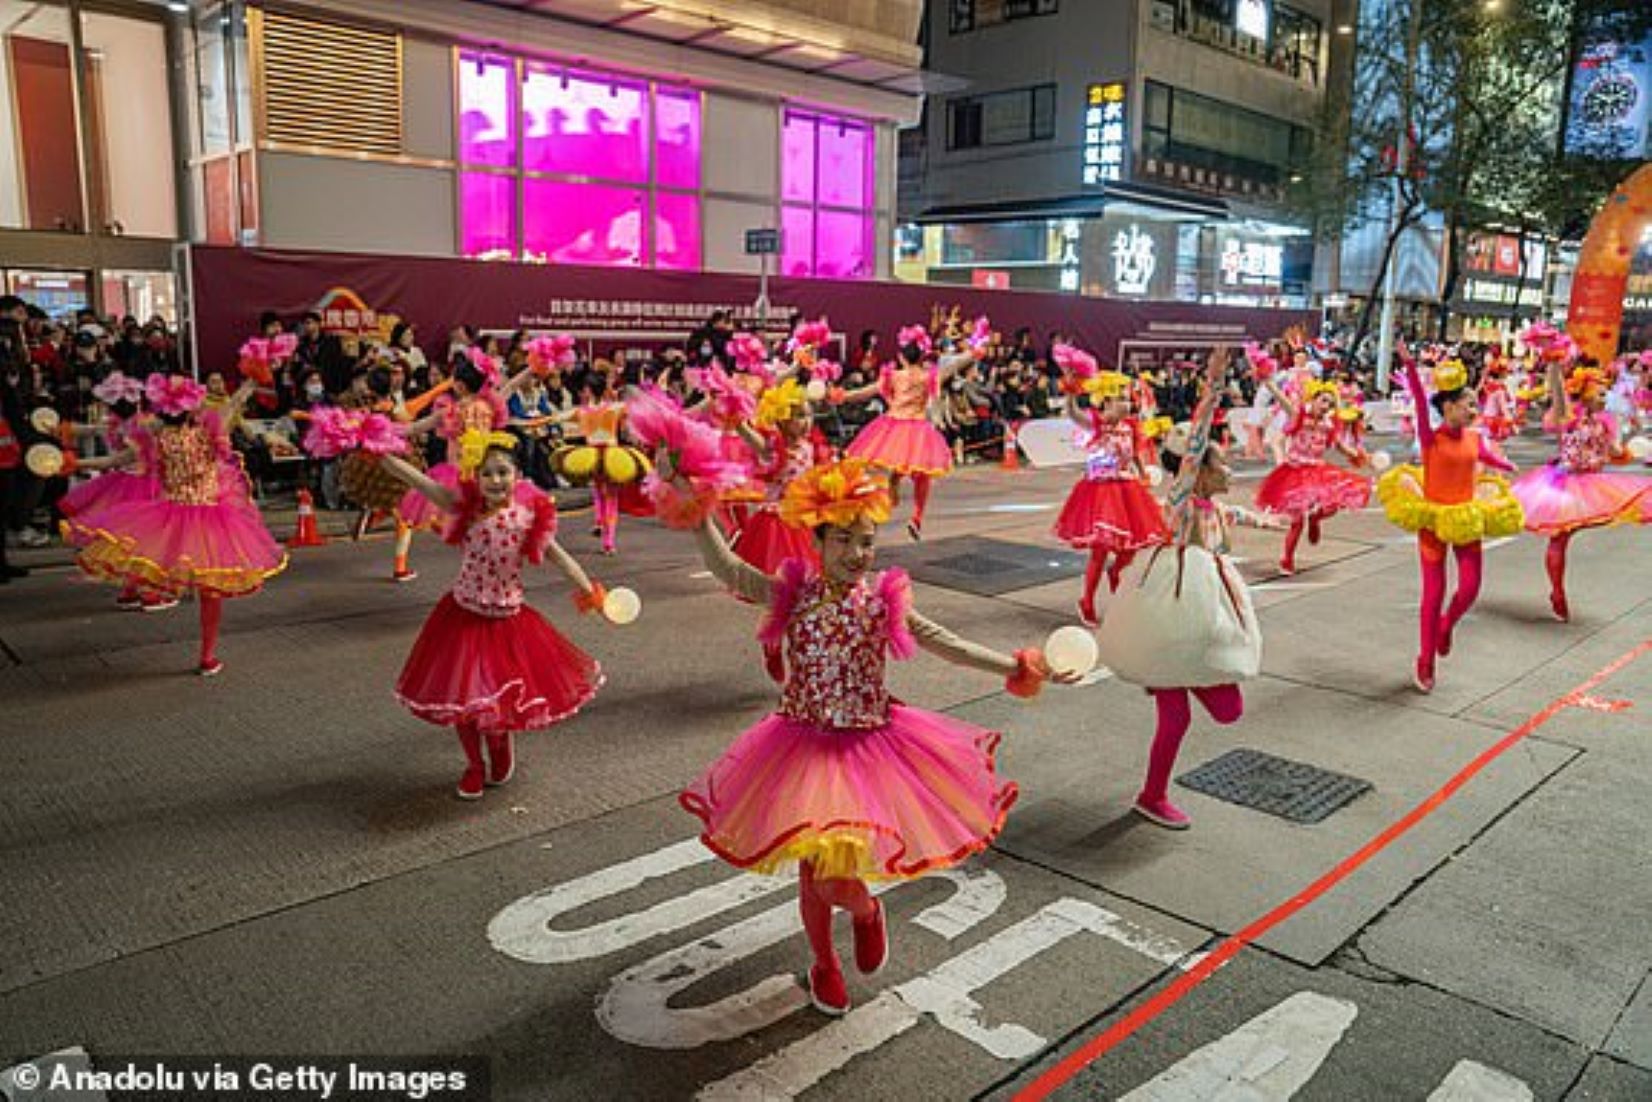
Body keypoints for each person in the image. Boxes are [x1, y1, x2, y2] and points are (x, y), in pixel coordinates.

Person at [677, 457, 1074, 1015]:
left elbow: (942, 640)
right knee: (814, 870)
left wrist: (1017, 666)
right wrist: (697, 515)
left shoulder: (881, 600)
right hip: (800, 744)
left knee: (836, 881)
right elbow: (729, 569)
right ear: (817, 539)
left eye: (867, 541)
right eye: (843, 539)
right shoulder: (793, 595)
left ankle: (864, 913)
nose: (857, 553)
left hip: (866, 746)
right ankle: (824, 964)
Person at [1096, 349, 1286, 829]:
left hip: (1206, 617)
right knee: (1176, 718)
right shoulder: (1180, 502)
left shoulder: (1213, 510)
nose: (1230, 471)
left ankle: (1159, 671)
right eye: (1220, 462)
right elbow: (1198, 439)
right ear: (1197, 467)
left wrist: (1273, 521)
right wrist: (1214, 386)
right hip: (1169, 609)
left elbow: (1240, 515)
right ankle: (1152, 794)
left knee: (1229, 711)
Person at [379, 431, 615, 799]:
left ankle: (500, 751)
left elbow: (562, 559)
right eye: (487, 473)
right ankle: (474, 765)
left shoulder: (528, 520)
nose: (495, 480)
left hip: (507, 620)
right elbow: (418, 481)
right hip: (462, 615)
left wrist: (592, 593)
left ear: (518, 476)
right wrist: (379, 455)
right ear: (476, 477)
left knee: (494, 699)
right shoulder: (463, 508)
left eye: (503, 472)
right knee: (464, 700)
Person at [63, 374, 286, 675]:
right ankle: (207, 657)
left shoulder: (157, 441)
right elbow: (232, 405)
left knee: (159, 565)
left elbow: (112, 460)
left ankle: (149, 596)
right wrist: (248, 382)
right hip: (212, 517)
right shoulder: (208, 434)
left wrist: (74, 464)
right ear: (192, 409)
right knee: (212, 589)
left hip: (170, 516)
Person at [1376, 353, 1524, 693]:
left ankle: (1446, 626)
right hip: (1433, 519)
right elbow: (1416, 399)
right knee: (1434, 592)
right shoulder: (1430, 437)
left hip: (1465, 517)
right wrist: (1411, 367)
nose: (1474, 410)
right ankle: (1425, 661)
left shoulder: (1473, 437)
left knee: (1470, 588)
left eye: (1475, 404)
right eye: (1467, 404)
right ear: (1447, 407)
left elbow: (1483, 456)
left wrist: (1504, 464)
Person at [1511, 361, 1651, 621]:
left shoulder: (1606, 422)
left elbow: (1617, 453)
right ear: (1585, 394)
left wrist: (1636, 450)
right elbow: (1558, 394)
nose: (1604, 397)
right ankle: (1557, 591)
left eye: (1605, 393)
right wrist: (1553, 366)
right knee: (1559, 539)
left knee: (1572, 532)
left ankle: (1557, 591)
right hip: (1565, 484)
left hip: (1593, 485)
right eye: (1599, 393)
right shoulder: (1570, 418)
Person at [1053, 370, 1168, 626]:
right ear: (1105, 402)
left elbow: (1137, 455)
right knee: (1101, 550)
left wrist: (1142, 476)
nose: (1127, 403)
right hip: (1100, 492)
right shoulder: (1094, 423)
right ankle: (1087, 601)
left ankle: (1117, 576)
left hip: (1128, 490)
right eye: (1120, 399)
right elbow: (1073, 414)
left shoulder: (1132, 427)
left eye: (1127, 398)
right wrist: (1071, 395)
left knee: (1130, 549)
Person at [836, 328, 973, 540]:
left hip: (893, 426)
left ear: (901, 357)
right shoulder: (928, 377)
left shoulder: (894, 376)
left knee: (889, 465)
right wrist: (974, 353)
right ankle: (917, 517)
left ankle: (881, 499)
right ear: (921, 357)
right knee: (921, 474)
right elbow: (954, 365)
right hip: (918, 428)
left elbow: (867, 392)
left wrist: (843, 396)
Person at [1253, 375, 1374, 575]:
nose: (1326, 406)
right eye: (1323, 400)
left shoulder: (1329, 424)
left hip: (1317, 471)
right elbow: (1282, 400)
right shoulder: (1298, 414)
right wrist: (1268, 382)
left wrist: (1360, 456)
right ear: (1313, 398)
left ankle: (1316, 519)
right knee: (1297, 521)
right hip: (1294, 471)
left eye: (1331, 403)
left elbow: (1340, 446)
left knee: (1335, 503)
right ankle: (1287, 559)